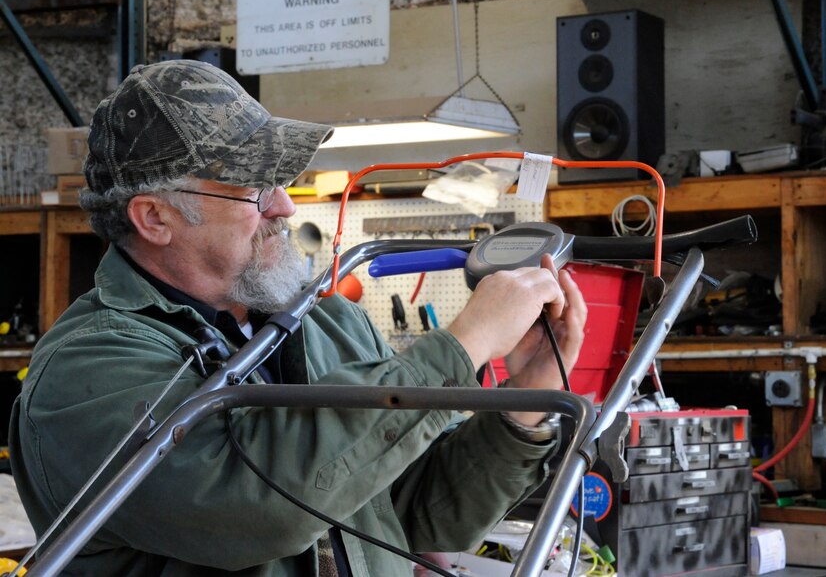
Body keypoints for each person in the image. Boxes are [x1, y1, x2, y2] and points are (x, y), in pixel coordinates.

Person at [9, 60, 587, 577]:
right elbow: (254, 510)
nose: (284, 206)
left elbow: (418, 510)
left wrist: (525, 402)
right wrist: (463, 343)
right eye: (254, 190)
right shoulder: (86, 370)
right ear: (155, 217)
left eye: (280, 181)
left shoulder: (330, 325)